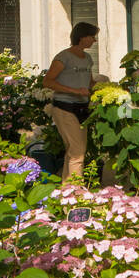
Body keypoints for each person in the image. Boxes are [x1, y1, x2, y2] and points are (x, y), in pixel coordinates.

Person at [43, 22, 99, 182]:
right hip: (64, 108)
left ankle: (66, 192)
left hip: (83, 109)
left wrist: (107, 89)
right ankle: (76, 194)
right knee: (77, 152)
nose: (94, 41)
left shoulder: (88, 58)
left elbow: (90, 83)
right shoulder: (63, 57)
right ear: (82, 37)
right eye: (92, 37)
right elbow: (47, 82)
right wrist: (74, 91)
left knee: (74, 151)